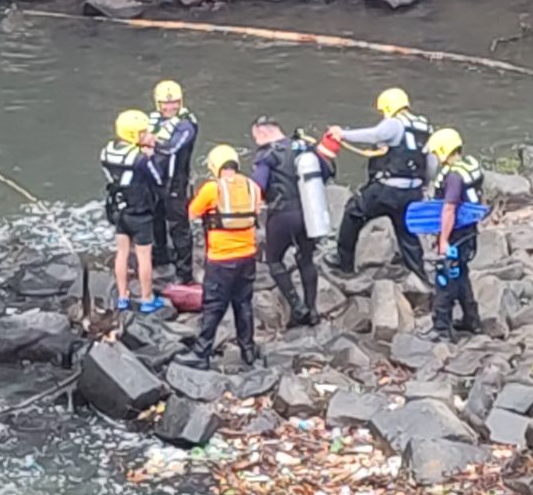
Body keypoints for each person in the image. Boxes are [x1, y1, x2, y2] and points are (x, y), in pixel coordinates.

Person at [326, 87, 430, 280]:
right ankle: (419, 276)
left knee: (353, 212)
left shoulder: (394, 124)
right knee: (406, 233)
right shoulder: (424, 127)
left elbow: (374, 135)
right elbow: (430, 162)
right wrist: (423, 186)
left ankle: (344, 263)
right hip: (412, 193)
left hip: (386, 191)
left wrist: (343, 134)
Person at [177, 144, 263, 369]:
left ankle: (201, 353)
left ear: (215, 166)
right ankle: (248, 352)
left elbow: (191, 213)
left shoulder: (211, 189)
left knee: (213, 305)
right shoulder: (253, 187)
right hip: (248, 257)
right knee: (243, 304)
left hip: (221, 259)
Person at [251, 117, 332, 328]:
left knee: (274, 260)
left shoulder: (266, 154)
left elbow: (258, 184)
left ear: (262, 132)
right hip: (309, 211)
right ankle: (312, 310)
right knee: (306, 258)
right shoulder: (304, 145)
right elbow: (327, 171)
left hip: (282, 213)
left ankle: (297, 307)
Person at [101, 109, 168, 314]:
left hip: (118, 210)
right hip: (139, 212)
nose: (147, 134)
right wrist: (151, 155)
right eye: (142, 132)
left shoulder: (106, 152)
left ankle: (123, 297)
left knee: (121, 252)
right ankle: (147, 298)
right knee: (143, 256)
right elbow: (158, 179)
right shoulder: (139, 158)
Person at [425, 127, 486, 341]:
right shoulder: (470, 165)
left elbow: (449, 209)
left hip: (455, 234)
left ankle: (441, 328)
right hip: (469, 233)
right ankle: (472, 320)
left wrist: (442, 240)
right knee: (460, 273)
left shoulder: (453, 177)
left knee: (446, 276)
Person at [148, 79, 199, 286]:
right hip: (155, 179)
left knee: (179, 227)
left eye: (174, 103)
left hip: (176, 182)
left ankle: (185, 272)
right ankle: (160, 258)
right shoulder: (152, 120)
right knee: (155, 220)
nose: (170, 107)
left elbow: (173, 147)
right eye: (165, 104)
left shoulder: (187, 124)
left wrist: (151, 143)